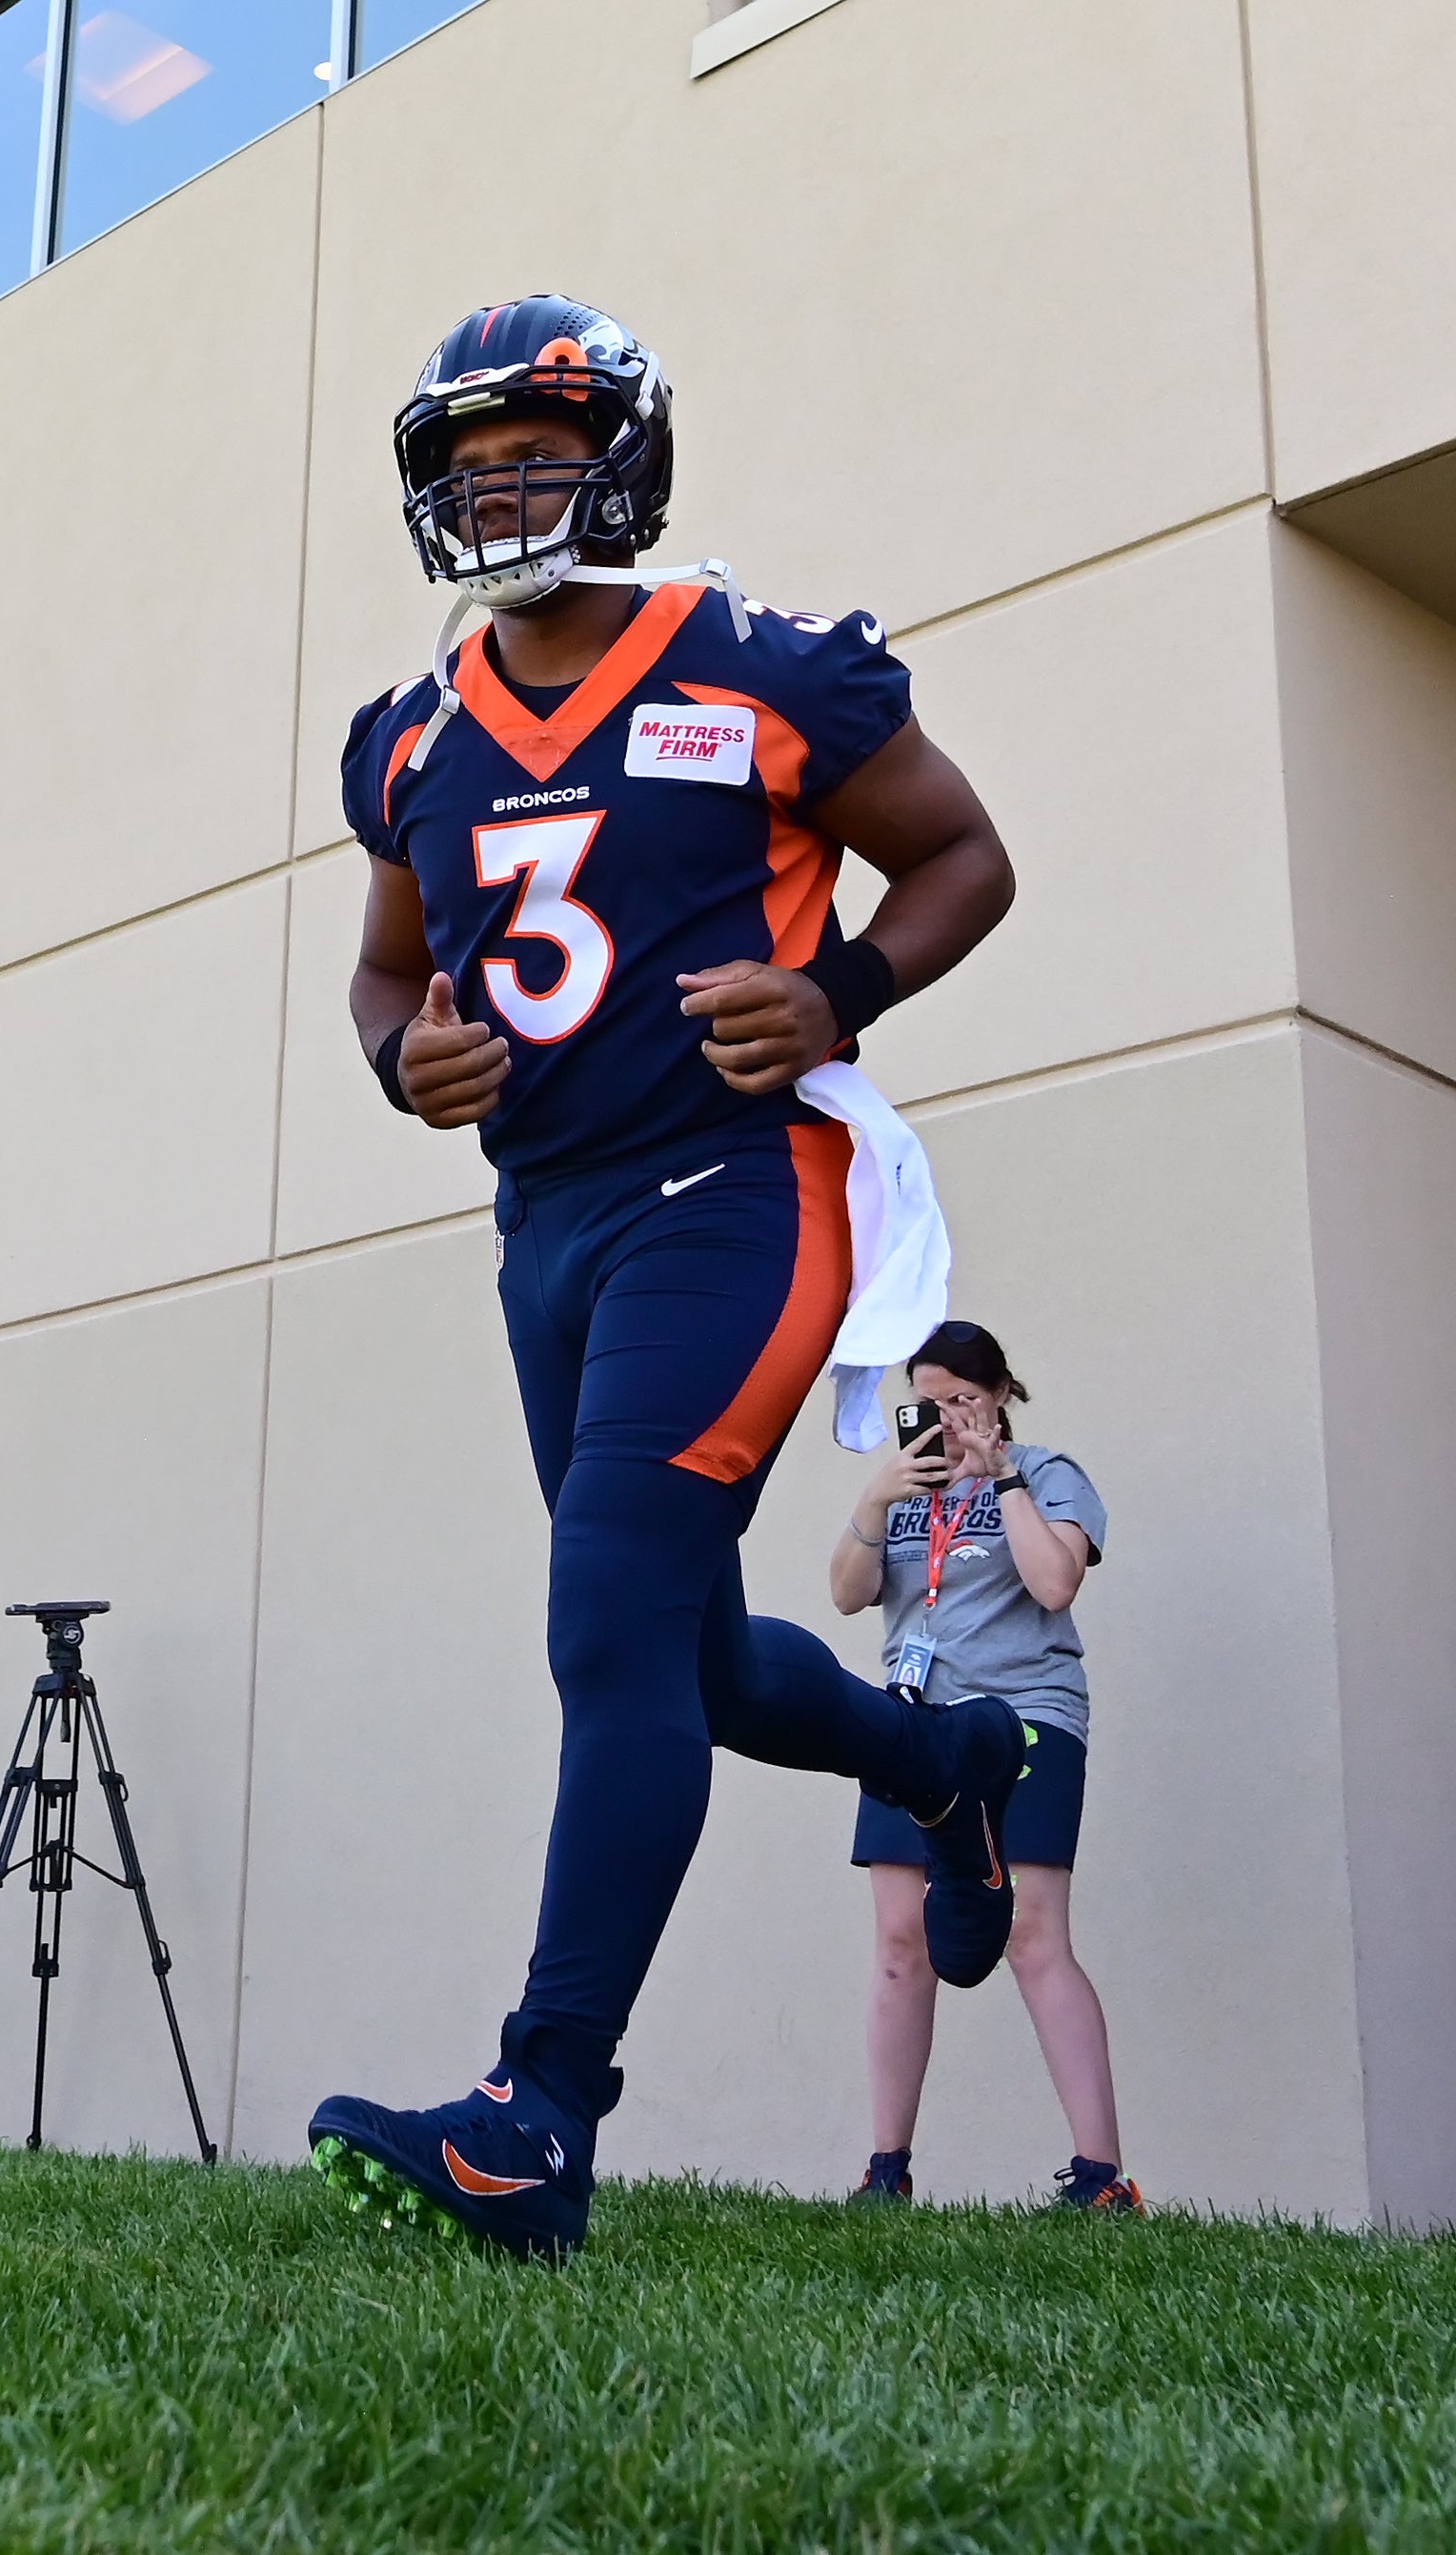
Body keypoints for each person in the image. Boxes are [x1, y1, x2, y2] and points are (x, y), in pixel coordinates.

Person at [307, 297, 1026, 2258]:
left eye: (532, 452)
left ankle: (540, 2111)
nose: (495, 493)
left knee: (607, 1624)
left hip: (738, 1185)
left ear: (621, 456)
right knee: (683, 1660)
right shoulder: (414, 732)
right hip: (544, 1222)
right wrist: (401, 1059)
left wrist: (841, 990)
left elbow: (961, 851)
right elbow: (389, 971)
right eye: (462, 469)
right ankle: (946, 1760)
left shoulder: (757, 663)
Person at [829, 1320, 1136, 2213]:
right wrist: (879, 1493)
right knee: (900, 1939)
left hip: (1025, 1718)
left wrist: (997, 1475)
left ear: (999, 1393)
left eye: (964, 1399)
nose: (949, 1417)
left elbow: (1054, 1584)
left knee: (1031, 1934)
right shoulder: (909, 1490)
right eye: (929, 1401)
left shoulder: (1046, 1473)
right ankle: (885, 2170)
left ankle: (1099, 2177)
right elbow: (847, 1593)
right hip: (913, 1722)